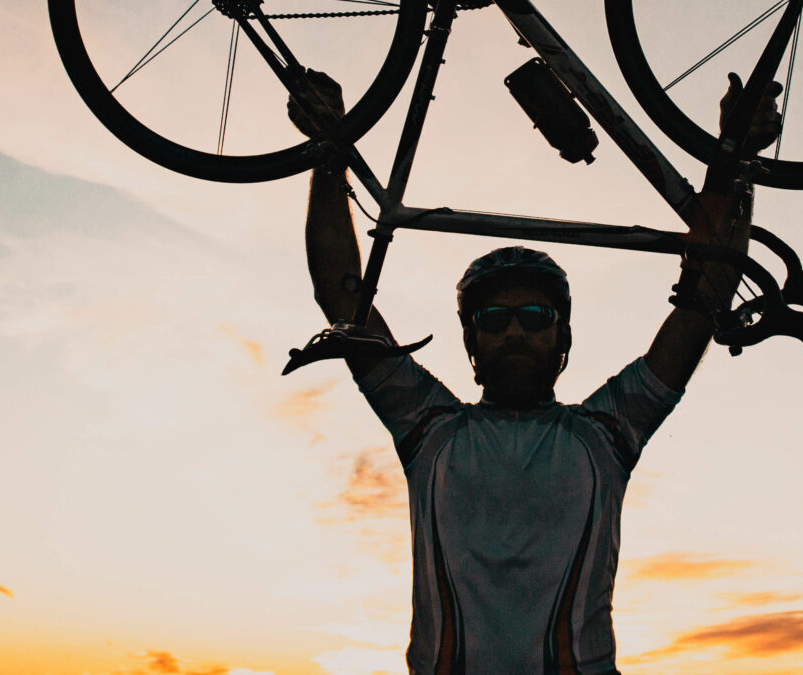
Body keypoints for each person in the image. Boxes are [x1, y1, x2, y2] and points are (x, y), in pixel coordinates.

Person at [292, 67, 777, 675]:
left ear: (562, 334)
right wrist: (328, 150)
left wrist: (735, 158)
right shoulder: (431, 430)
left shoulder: (604, 433)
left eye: (533, 313)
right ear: (471, 341)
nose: (514, 329)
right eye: (493, 317)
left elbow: (704, 299)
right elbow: (343, 296)